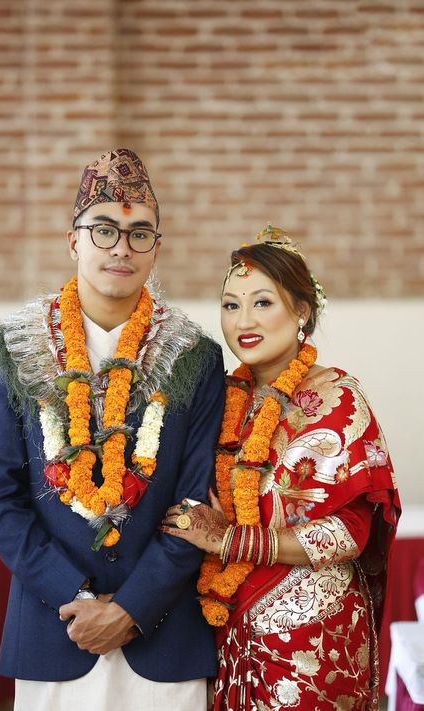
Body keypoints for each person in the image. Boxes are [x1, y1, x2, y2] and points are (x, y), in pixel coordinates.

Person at [0, 148, 225, 711]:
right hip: (54, 630)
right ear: (73, 241)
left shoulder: (194, 358)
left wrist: (132, 609)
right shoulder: (17, 352)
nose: (121, 247)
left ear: (156, 248)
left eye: (140, 234)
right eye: (104, 229)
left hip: (163, 637)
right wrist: (76, 598)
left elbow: (197, 500)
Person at [160, 225, 400, 710]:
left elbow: (350, 532)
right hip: (224, 634)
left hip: (312, 637)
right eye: (231, 305)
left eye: (262, 302)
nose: (243, 319)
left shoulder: (338, 398)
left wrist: (233, 539)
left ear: (302, 312)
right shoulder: (216, 402)